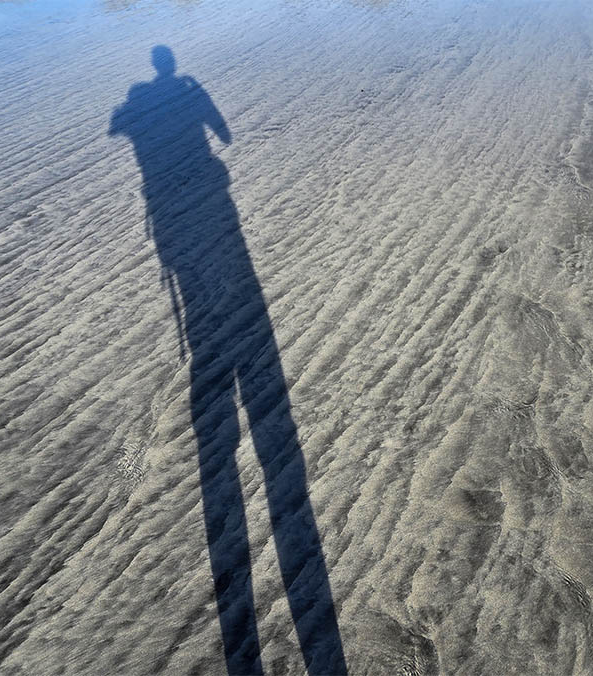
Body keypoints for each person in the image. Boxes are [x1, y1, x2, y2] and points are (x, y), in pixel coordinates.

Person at [110, 46, 347, 676]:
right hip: (204, 190)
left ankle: (213, 341)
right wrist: (207, 122)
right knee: (224, 261)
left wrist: (141, 109)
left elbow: (116, 126)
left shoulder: (143, 104)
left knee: (191, 275)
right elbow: (224, 129)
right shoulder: (189, 90)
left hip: (166, 204)